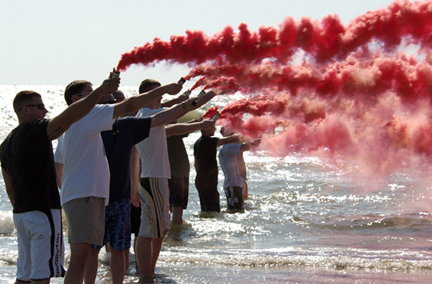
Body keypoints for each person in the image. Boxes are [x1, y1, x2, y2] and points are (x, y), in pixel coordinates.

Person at [54, 79, 183, 284]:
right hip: (85, 197)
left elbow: (58, 166)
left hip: (90, 197)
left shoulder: (76, 121)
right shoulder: (84, 117)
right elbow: (130, 106)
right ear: (75, 99)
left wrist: (68, 190)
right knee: (81, 257)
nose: (96, 95)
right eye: (91, 92)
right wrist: (166, 90)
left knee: (93, 253)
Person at [0, 74, 119, 284]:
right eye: (39, 106)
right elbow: (69, 117)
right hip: (43, 213)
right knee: (41, 275)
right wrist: (100, 92)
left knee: (23, 275)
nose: (45, 110)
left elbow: (9, 187)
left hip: (21, 214)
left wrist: (21, 209)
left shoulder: (6, 143)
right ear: (25, 110)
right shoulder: (36, 130)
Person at [133, 79, 217, 281]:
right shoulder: (146, 115)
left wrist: (200, 124)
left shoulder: (153, 117)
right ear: (147, 96)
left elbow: (172, 129)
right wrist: (209, 95)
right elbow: (176, 111)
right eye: (158, 93)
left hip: (160, 177)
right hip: (151, 178)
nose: (162, 96)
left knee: (162, 229)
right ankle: (145, 275)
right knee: (148, 230)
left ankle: (150, 271)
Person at [193, 124, 240, 212]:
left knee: (206, 210)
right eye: (212, 127)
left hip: (201, 181)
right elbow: (230, 139)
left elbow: (196, 164)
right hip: (207, 182)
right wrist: (249, 135)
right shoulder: (207, 141)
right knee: (213, 211)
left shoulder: (198, 142)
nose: (215, 128)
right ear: (206, 128)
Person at [218, 127, 260, 210]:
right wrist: (266, 137)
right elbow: (251, 144)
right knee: (234, 211)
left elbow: (249, 141)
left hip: (238, 184)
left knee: (239, 211)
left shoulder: (233, 146)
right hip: (233, 185)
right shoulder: (229, 146)